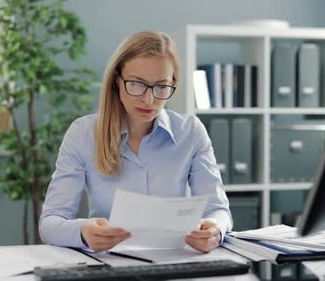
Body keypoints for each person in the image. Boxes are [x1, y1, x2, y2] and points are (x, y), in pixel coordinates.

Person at [39, 30, 233, 253]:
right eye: (137, 84)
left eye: (161, 86)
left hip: (174, 261)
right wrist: (83, 232)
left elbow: (219, 211)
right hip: (110, 264)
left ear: (173, 84)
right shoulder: (83, 134)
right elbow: (50, 223)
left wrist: (215, 230)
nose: (148, 99)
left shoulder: (190, 132)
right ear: (117, 81)